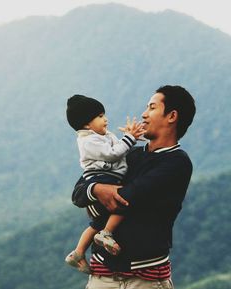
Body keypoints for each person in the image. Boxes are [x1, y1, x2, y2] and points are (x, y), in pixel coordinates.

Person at [71, 85, 196, 289]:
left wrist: (96, 191)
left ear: (172, 116)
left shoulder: (176, 162)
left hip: (145, 279)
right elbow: (78, 194)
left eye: (152, 108)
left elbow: (126, 198)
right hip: (102, 277)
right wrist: (96, 189)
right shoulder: (130, 154)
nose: (144, 114)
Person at [65, 94, 146, 274]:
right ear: (87, 124)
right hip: (100, 178)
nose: (105, 119)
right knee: (123, 202)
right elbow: (113, 154)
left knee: (97, 222)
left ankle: (77, 253)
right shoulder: (88, 140)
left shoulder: (103, 135)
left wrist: (131, 138)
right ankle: (106, 234)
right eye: (100, 116)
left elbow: (121, 149)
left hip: (107, 177)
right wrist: (129, 138)